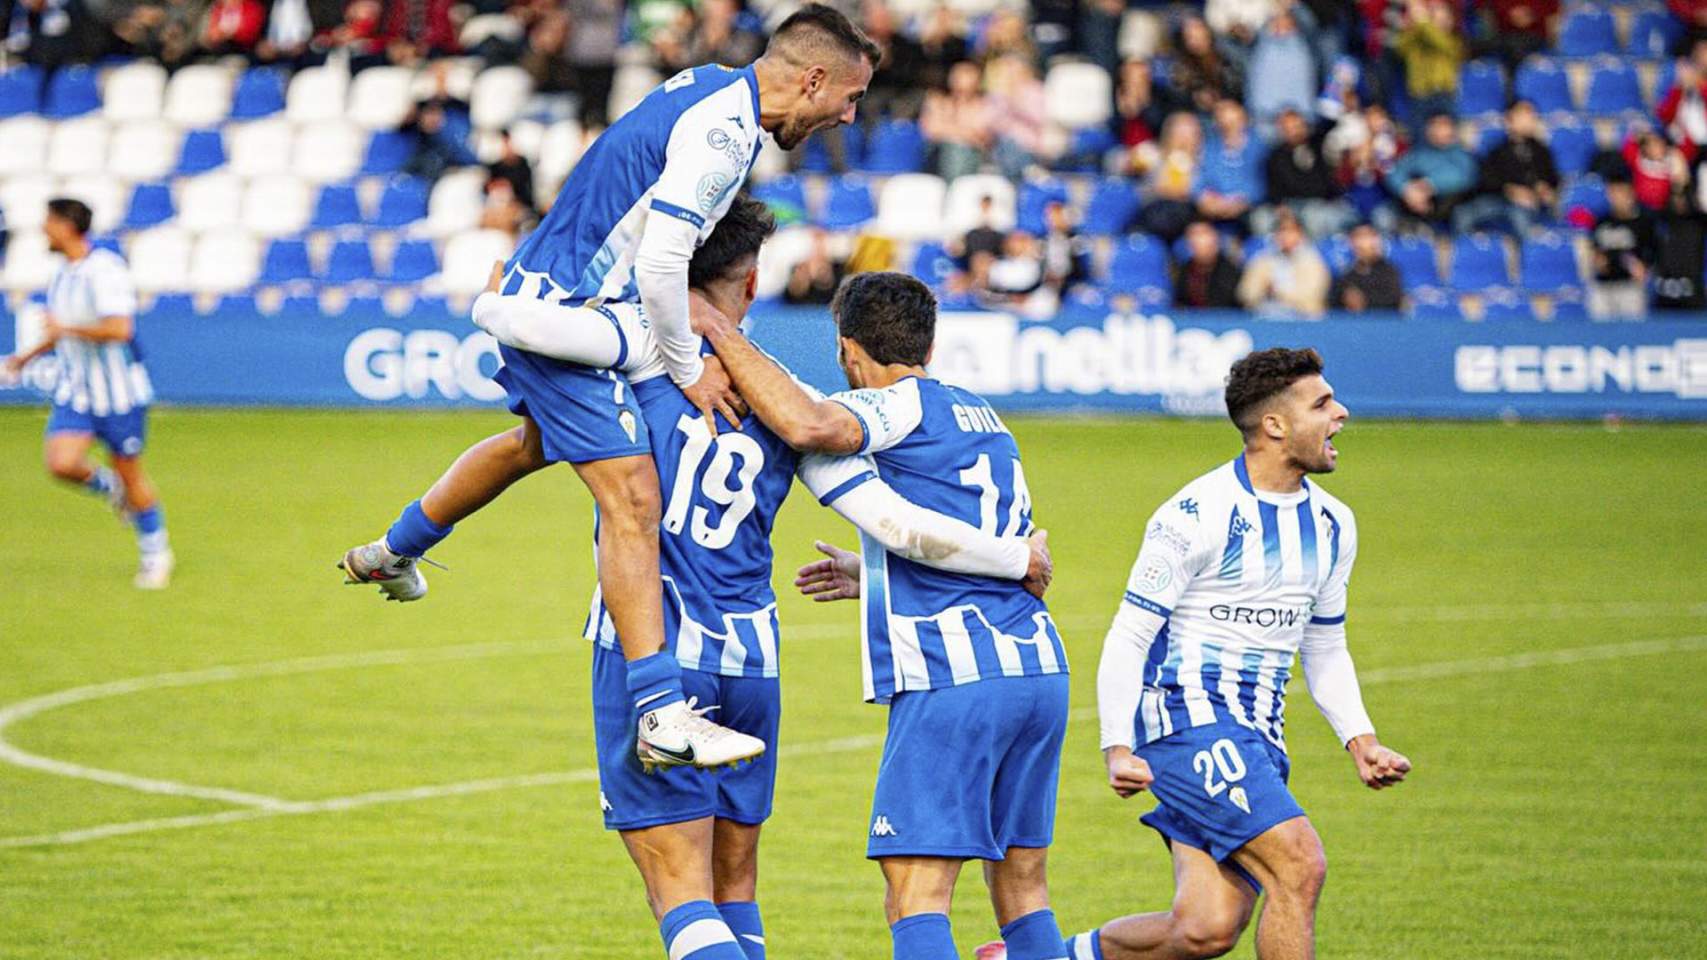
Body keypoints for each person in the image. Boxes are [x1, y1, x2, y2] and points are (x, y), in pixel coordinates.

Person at [473, 196, 1050, 960]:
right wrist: (907, 567)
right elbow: (876, 507)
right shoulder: (942, 412)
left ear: (848, 350)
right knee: (741, 884)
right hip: (768, 655)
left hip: (664, 644)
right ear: (749, 286)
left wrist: (496, 296)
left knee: (688, 893)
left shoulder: (644, 370)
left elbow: (522, 429)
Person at [339, 4, 880, 777]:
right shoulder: (727, 136)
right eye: (849, 98)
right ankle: (661, 715)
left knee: (532, 445)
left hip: (560, 293)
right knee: (632, 498)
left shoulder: (711, 88)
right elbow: (662, 263)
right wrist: (688, 365)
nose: (848, 116)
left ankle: (393, 549)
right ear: (814, 78)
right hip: (565, 311)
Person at [694, 273, 1073, 960]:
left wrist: (717, 332)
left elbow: (885, 508)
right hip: (1038, 670)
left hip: (956, 675)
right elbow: (932, 529)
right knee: (1023, 891)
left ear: (847, 351)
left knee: (915, 897)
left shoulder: (893, 407)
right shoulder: (978, 413)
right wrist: (874, 575)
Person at [1061, 346, 1411, 960]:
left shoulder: (1333, 524)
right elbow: (1131, 634)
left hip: (1260, 736)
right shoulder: (1194, 516)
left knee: (1205, 929)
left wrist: (1361, 741)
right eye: (1322, 404)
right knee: (1299, 866)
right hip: (1186, 723)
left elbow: (1324, 643)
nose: (1342, 414)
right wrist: (1116, 744)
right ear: (1275, 425)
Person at [2, 199, 172, 589]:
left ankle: (156, 552)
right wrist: (24, 358)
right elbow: (61, 330)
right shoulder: (63, 274)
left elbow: (119, 329)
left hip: (118, 395)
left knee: (134, 475)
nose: (43, 230)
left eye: (48, 222)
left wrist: (66, 331)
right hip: (77, 391)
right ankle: (111, 488)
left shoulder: (104, 271)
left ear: (66, 226)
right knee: (61, 463)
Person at [1464, 99, 1558, 236]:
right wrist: (1509, 190)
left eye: (1531, 116)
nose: (1528, 120)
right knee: (1464, 214)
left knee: (1520, 216)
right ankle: (1465, 253)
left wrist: (1543, 189)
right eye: (1522, 115)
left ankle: (1529, 254)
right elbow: (1487, 181)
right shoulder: (1496, 151)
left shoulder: (1542, 151)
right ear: (1509, 120)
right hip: (1499, 200)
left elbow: (1552, 179)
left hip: (1530, 203)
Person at [1259, 107, 1354, 238]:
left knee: (1313, 217)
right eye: (1287, 128)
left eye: (1296, 126)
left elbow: (1331, 120)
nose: (1293, 131)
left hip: (1320, 203)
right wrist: (1280, 207)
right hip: (1290, 204)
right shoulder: (1275, 156)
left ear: (1304, 125)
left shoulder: (1317, 143)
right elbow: (1273, 190)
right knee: (1262, 220)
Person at [1384, 111, 1476, 228]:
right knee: (1385, 214)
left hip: (1450, 206)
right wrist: (1406, 189)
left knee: (1463, 215)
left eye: (1444, 125)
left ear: (1452, 129)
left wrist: (1426, 186)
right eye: (1435, 126)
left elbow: (1464, 178)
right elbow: (1394, 173)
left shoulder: (1461, 153)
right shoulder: (1419, 152)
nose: (1439, 130)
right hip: (1412, 203)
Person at [1237, 211, 1331, 317]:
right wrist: (1261, 292)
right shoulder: (1263, 260)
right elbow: (1246, 293)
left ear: (1300, 234)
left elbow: (1311, 296)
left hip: (1304, 319)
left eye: (1291, 231)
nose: (1285, 236)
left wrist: (1277, 292)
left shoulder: (1313, 261)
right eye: (1281, 231)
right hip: (1267, 316)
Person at [1588, 177, 1657, 320]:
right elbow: (1593, 248)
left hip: (1630, 286)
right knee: (1600, 333)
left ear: (1630, 194)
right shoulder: (1602, 221)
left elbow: (1654, 251)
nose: (1616, 198)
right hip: (1603, 285)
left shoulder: (1643, 222)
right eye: (1612, 193)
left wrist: (1645, 267)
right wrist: (1596, 259)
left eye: (1620, 192)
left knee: (1632, 333)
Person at [1330, 222, 1404, 311]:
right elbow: (1332, 302)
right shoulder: (1346, 274)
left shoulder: (1388, 271)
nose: (1362, 242)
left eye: (1367, 236)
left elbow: (1394, 299)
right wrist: (1345, 298)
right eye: (1357, 237)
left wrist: (1365, 301)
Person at [1173, 220, 1243, 309]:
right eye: (1192, 235)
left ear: (1215, 238)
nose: (1197, 240)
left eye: (1203, 234)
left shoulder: (1231, 272)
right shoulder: (1184, 271)